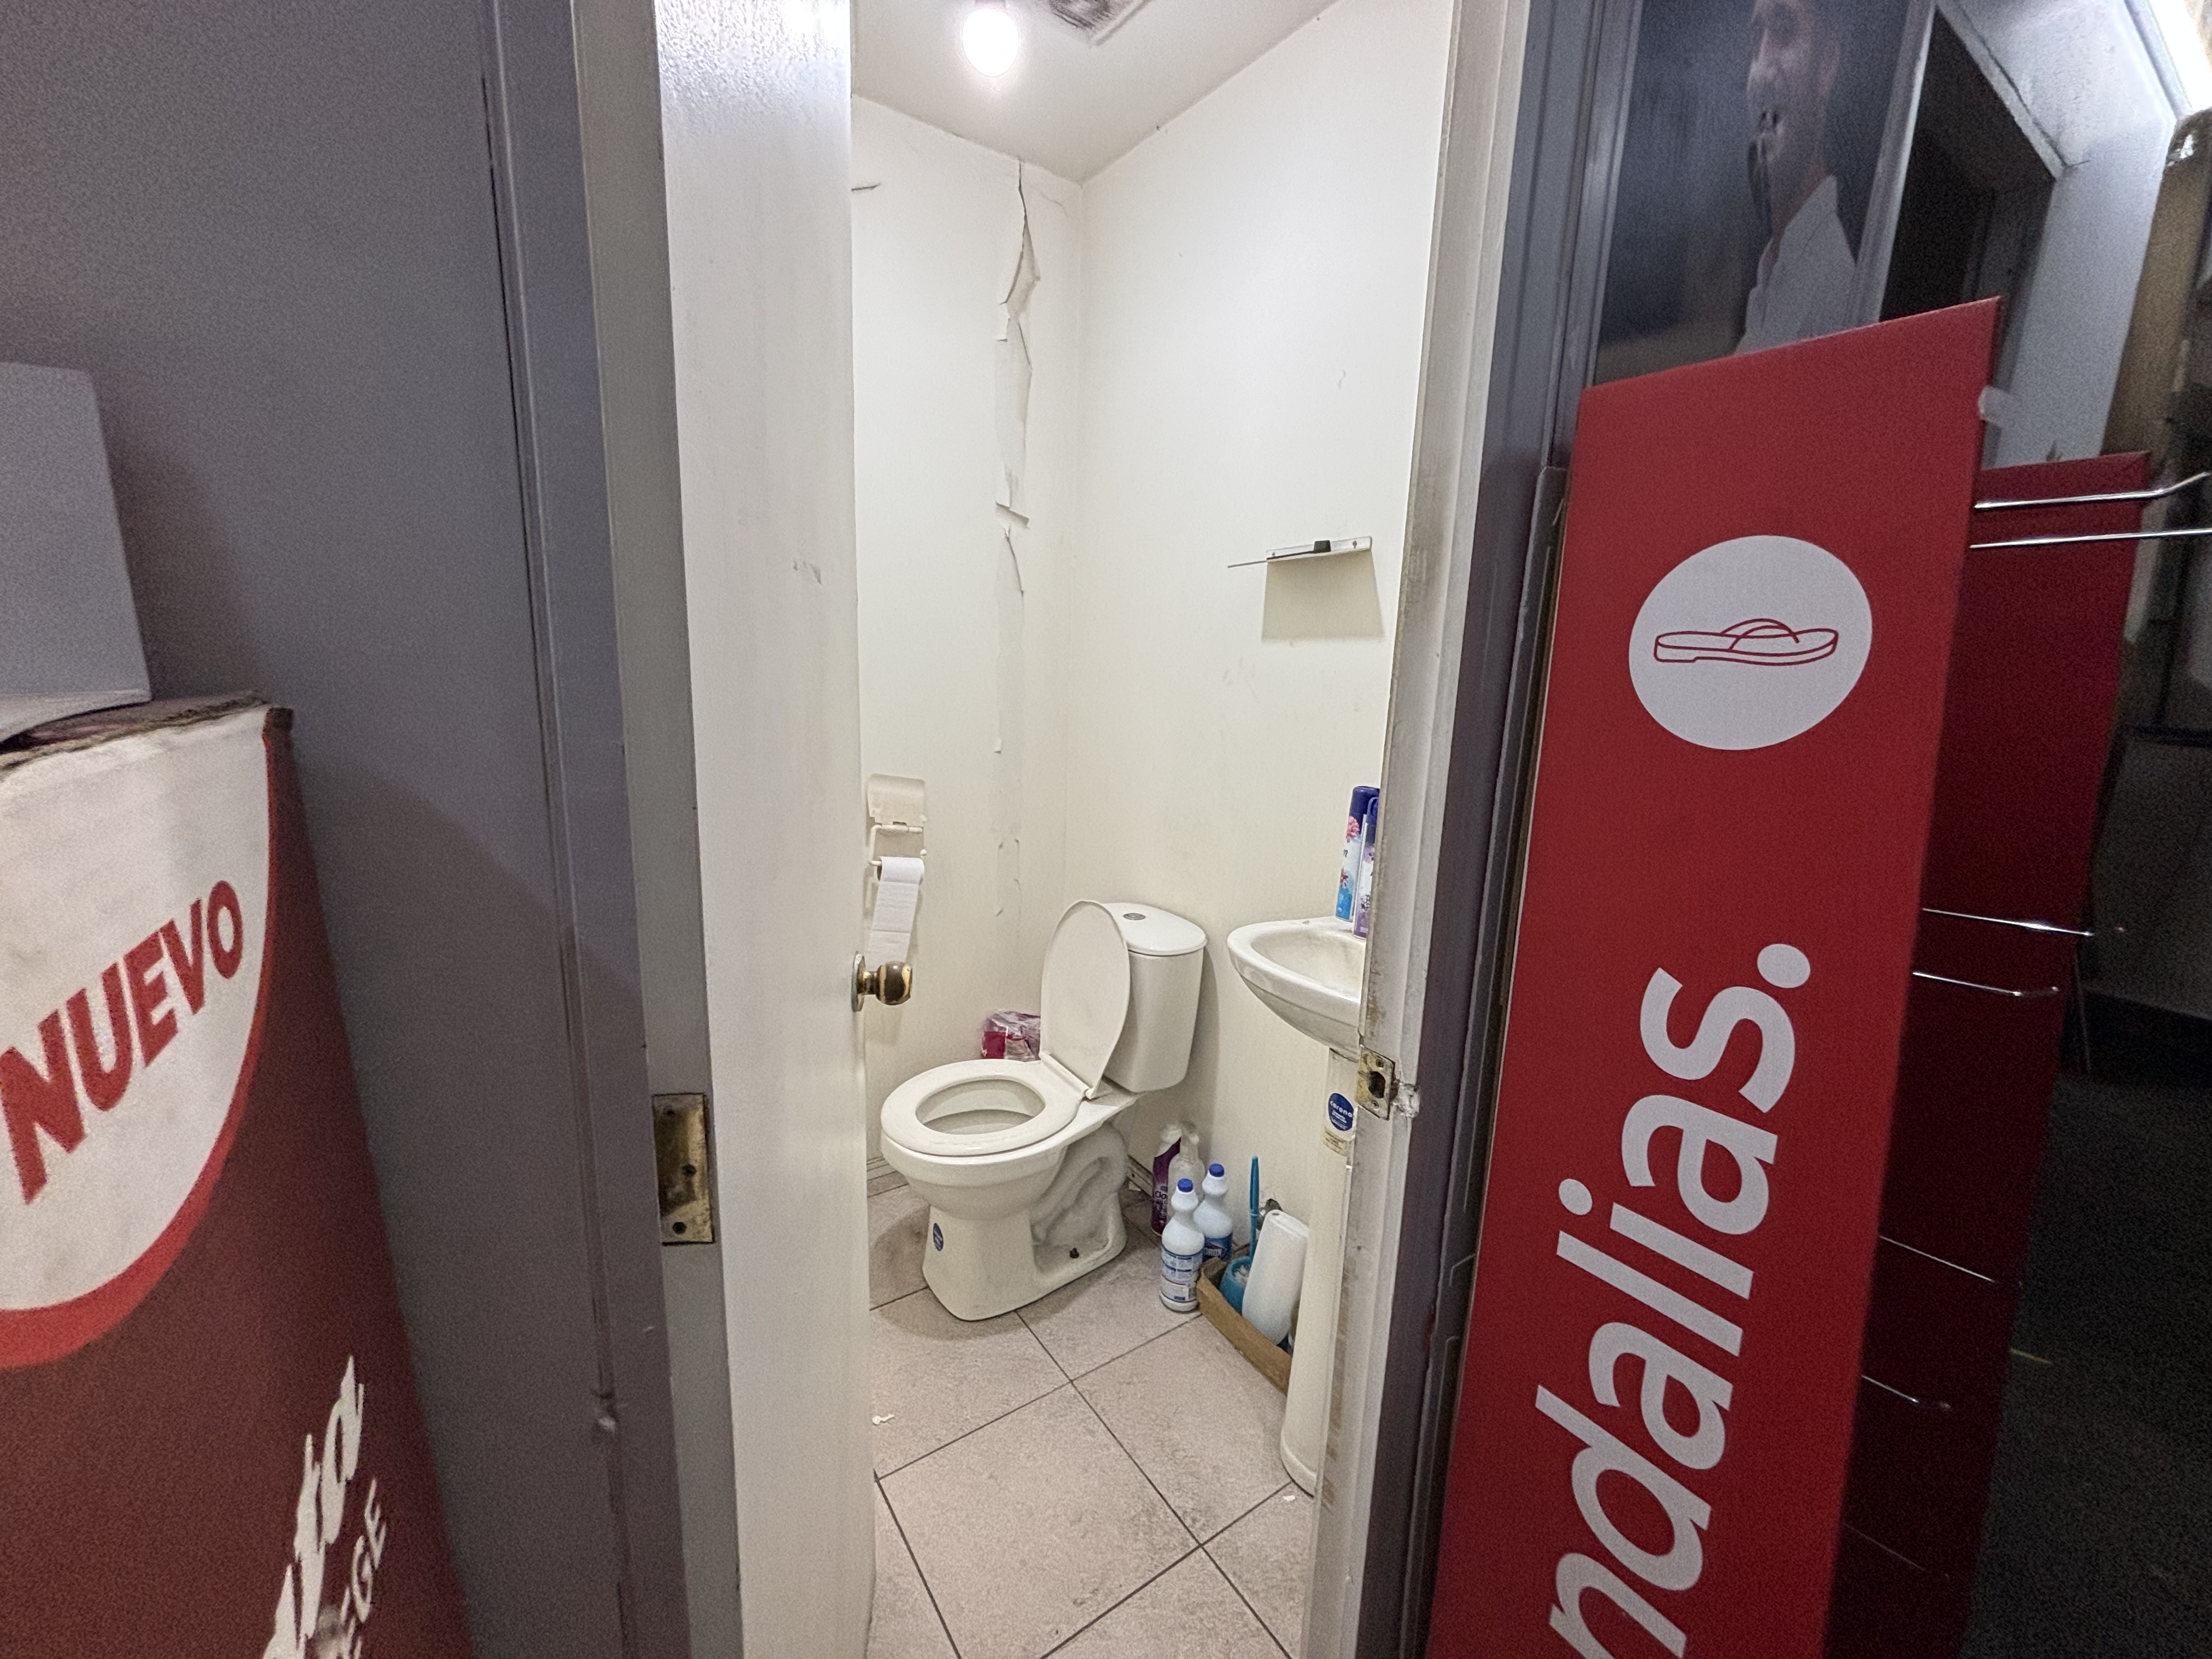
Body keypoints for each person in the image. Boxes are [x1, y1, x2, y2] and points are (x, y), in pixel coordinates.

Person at [1736, 0, 1858, 353]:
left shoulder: (1832, 286)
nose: (1759, 72)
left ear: (1827, 65)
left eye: (1784, 30)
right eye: (1755, 39)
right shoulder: (1775, 271)